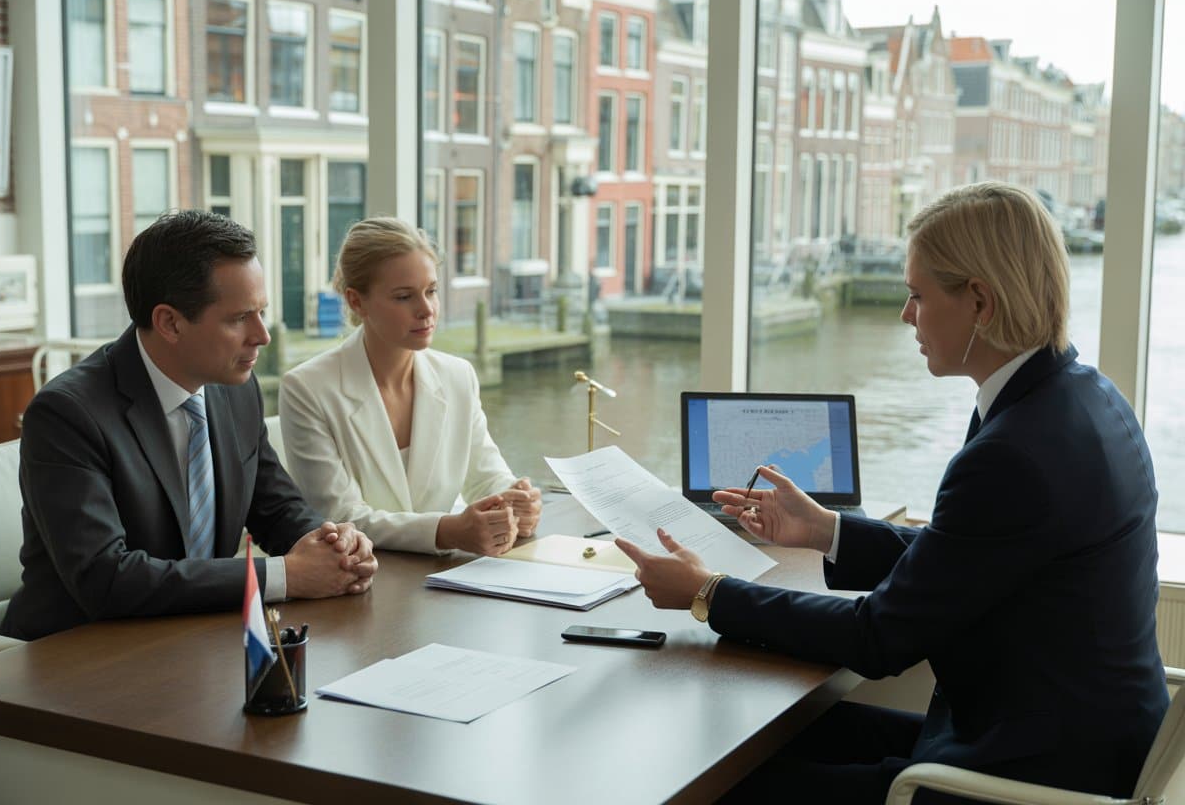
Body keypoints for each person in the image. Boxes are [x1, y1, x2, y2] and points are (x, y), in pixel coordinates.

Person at [616, 182, 1167, 803]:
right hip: (1066, 737)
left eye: (917, 295)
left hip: (1021, 775)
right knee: (761, 741)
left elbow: (877, 637)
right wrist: (827, 528)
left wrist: (706, 593)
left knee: (710, 782)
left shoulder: (1016, 451)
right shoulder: (1079, 396)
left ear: (980, 301)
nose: (906, 315)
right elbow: (962, 554)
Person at [1, 211, 377, 641]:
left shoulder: (235, 388)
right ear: (170, 322)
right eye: (239, 319)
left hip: (193, 643)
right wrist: (285, 576)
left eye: (261, 313)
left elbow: (275, 507)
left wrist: (336, 545)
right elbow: (106, 579)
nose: (262, 336)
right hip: (74, 658)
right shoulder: (66, 415)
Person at [279, 216, 541, 556]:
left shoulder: (458, 376)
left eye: (431, 291)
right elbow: (340, 517)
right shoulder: (307, 389)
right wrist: (447, 531)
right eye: (404, 297)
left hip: (452, 583)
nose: (426, 310)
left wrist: (514, 500)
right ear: (356, 301)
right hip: (361, 584)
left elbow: (486, 476)